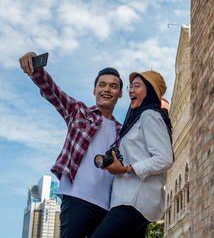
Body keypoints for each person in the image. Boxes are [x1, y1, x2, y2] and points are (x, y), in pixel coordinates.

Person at [19, 52, 123, 238]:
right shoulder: (79, 112)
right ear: (94, 90)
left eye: (113, 86)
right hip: (77, 198)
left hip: (108, 206)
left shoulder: (122, 131)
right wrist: (36, 70)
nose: (107, 89)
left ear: (120, 93)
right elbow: (54, 93)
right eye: (102, 85)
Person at [91, 70, 174, 237]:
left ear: (149, 91)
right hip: (129, 201)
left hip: (133, 201)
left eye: (137, 86)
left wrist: (126, 168)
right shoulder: (136, 121)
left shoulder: (149, 116)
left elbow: (165, 159)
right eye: (131, 86)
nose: (130, 90)